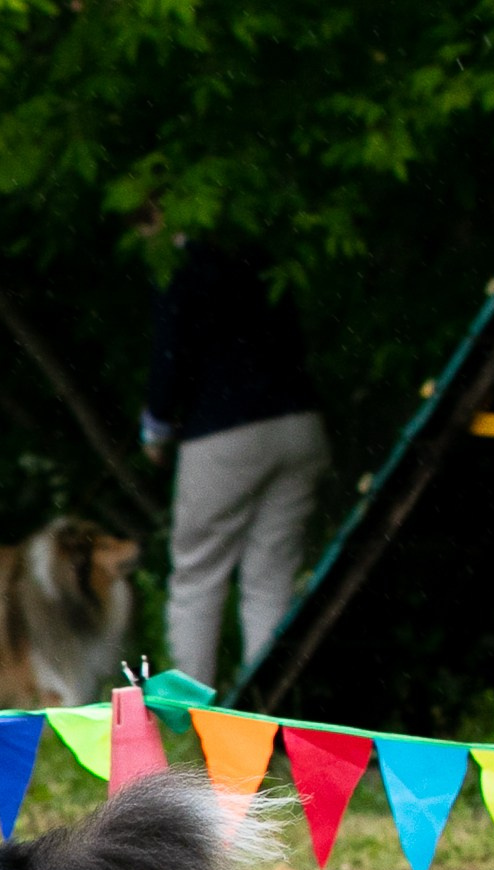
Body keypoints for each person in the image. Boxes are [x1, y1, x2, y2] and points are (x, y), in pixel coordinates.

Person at [137, 210, 331, 689]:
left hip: (224, 434)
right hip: (300, 424)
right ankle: (270, 710)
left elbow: (169, 356)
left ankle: (186, 714)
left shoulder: (181, 267)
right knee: (272, 579)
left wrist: (156, 431)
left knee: (198, 576)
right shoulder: (257, 248)